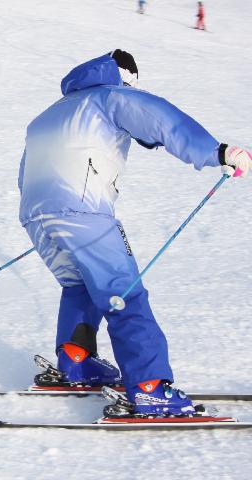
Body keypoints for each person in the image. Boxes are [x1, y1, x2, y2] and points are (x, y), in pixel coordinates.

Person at [17, 50, 252, 416]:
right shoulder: (110, 96)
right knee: (123, 293)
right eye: (134, 81)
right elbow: (159, 119)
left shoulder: (47, 115)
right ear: (124, 75)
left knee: (80, 285)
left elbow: (26, 172)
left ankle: (77, 360)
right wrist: (217, 152)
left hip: (36, 216)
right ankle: (149, 387)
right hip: (84, 213)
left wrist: (48, 215)